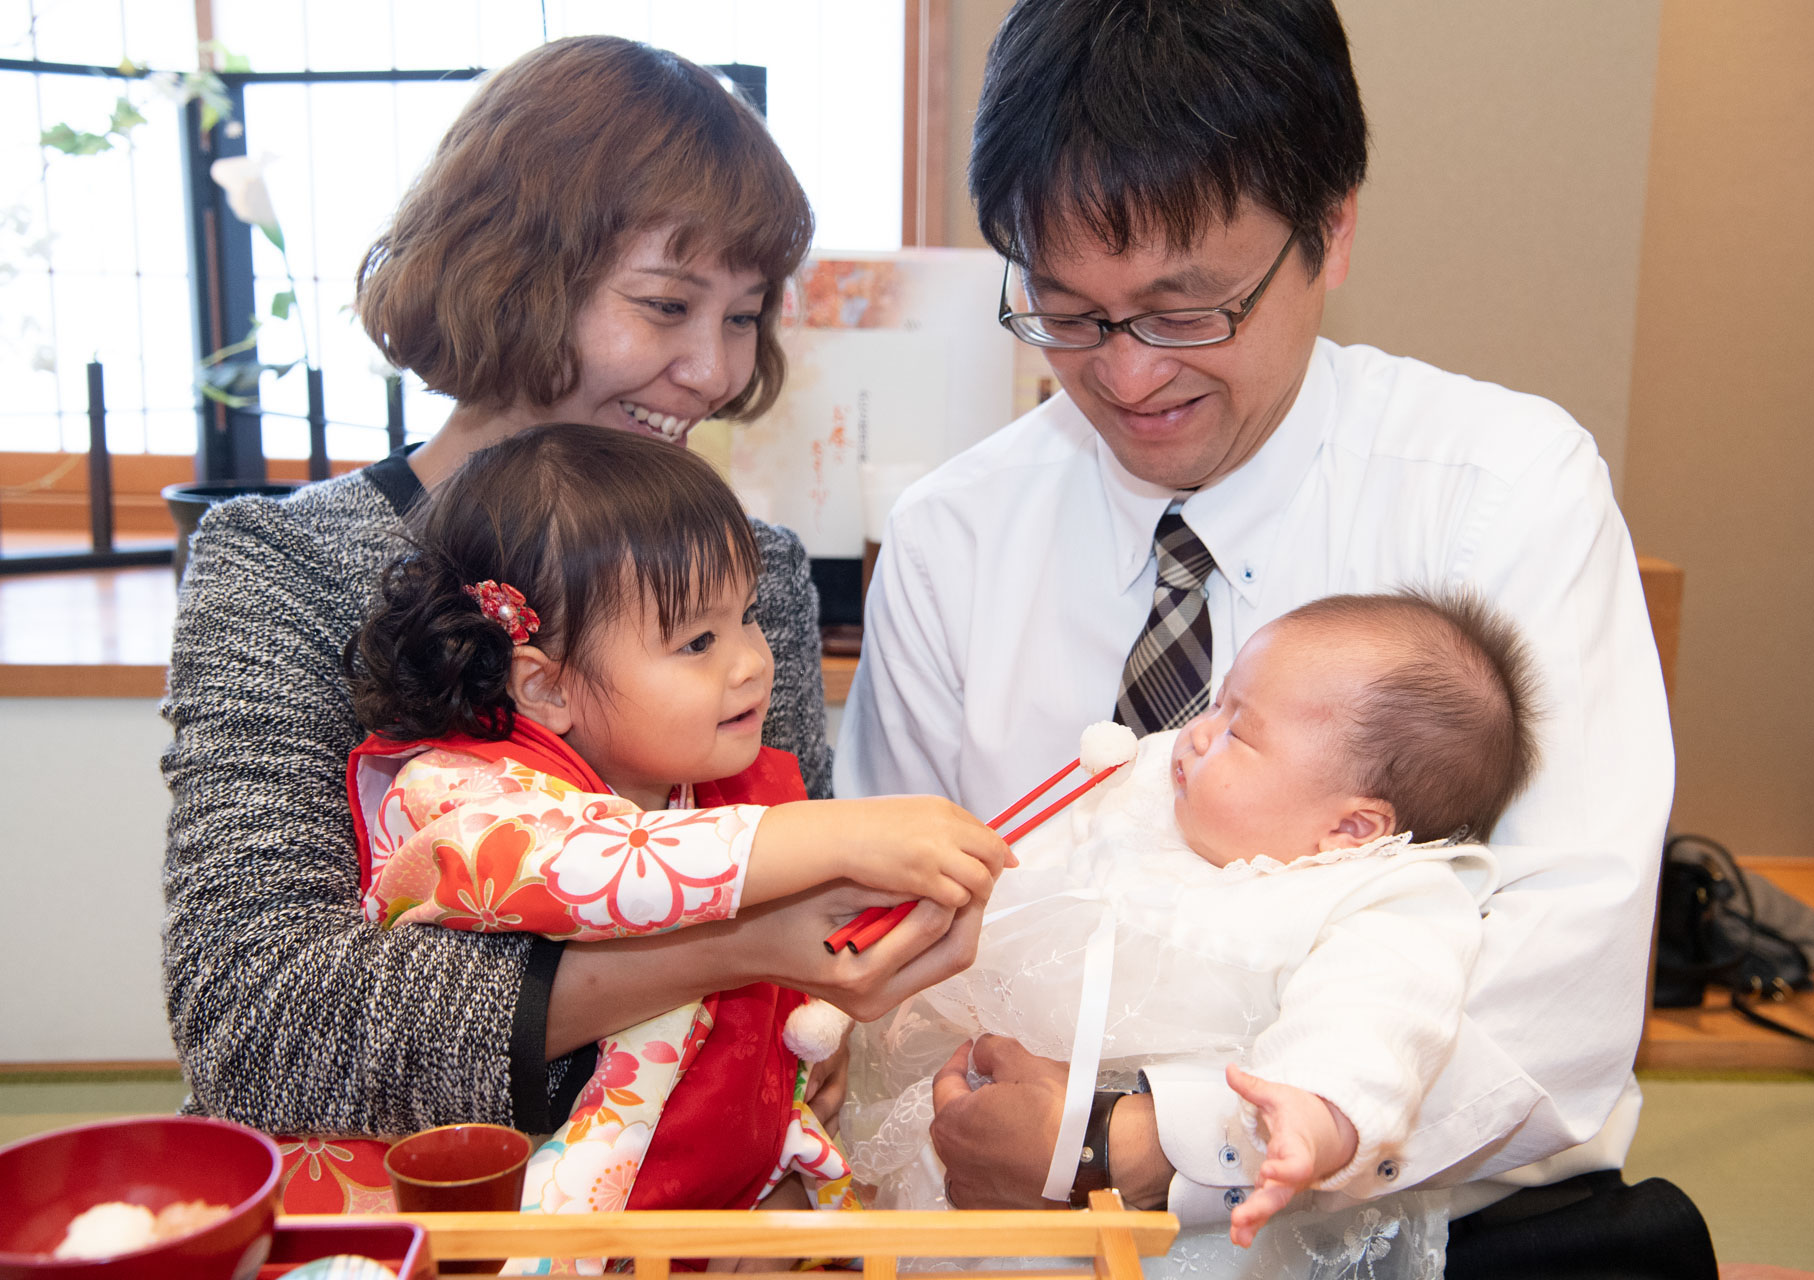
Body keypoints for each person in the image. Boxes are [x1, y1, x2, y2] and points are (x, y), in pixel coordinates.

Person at [837, 2, 1716, 1276]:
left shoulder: (1502, 492)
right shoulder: (951, 535)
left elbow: (1556, 1019)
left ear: (1333, 228)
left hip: (1440, 1232)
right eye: (1068, 312)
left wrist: (1141, 1141)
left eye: (1187, 310)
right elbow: (897, 956)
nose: (1129, 377)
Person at [162, 36, 985, 1215]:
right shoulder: (285, 566)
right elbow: (260, 1022)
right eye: (665, 306)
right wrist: (726, 952)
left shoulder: (754, 579)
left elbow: (794, 922)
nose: (710, 370)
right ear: (510, 272)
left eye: (745, 317)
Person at [342, 425, 1005, 1253]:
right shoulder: (456, 796)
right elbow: (601, 867)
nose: (753, 663)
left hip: (712, 1210)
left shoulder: (703, 781)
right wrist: (831, 835)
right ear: (544, 687)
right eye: (698, 642)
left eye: (748, 619)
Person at [847, 592, 1531, 1278]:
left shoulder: (1384, 896)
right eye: (1217, 703)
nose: (1198, 734)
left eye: (1241, 733)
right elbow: (1027, 875)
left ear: (1351, 829)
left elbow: (1377, 1019)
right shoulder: (1147, 794)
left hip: (1186, 1233)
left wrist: (1316, 1113)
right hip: (985, 1129)